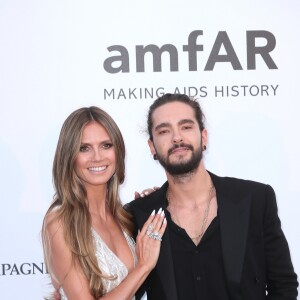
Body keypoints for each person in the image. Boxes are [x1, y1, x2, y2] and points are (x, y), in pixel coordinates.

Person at [128, 93, 298, 300]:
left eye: (186, 127)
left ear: (204, 137)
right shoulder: (138, 216)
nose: (177, 137)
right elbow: (130, 291)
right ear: (152, 147)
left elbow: (283, 286)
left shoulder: (255, 200)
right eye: (164, 131)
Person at [42, 106, 167, 300]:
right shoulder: (60, 222)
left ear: (118, 151)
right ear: (69, 157)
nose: (97, 157)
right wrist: (143, 266)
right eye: (84, 148)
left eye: (106, 145)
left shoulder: (124, 218)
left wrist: (150, 207)